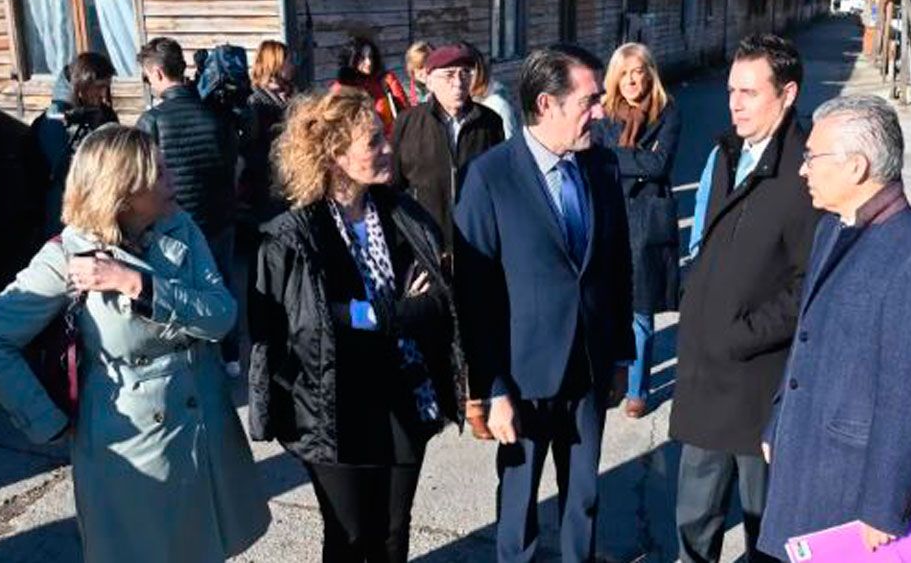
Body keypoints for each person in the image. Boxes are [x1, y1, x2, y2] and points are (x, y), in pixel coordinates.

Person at [0, 125, 270, 562]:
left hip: (205, 430)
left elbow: (221, 316)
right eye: (159, 173)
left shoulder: (179, 226)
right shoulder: (66, 257)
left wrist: (136, 284)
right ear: (125, 191)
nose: (172, 180)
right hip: (135, 447)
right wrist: (48, 420)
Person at [247, 87, 466, 563]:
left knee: (392, 533)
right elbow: (311, 327)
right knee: (349, 538)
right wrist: (391, 313)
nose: (389, 149)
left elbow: (436, 306)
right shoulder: (292, 235)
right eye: (374, 142)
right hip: (333, 408)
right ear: (334, 154)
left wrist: (366, 315)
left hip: (404, 397)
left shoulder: (404, 215)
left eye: (385, 138)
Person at [757, 95, 911, 558]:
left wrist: (883, 506)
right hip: (803, 451)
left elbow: (910, 397)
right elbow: (805, 339)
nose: (802, 169)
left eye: (812, 157)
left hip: (851, 488)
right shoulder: (832, 228)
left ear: (856, 167)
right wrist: (777, 421)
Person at [454, 45, 634, 563]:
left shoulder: (601, 165)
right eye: (589, 100)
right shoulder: (489, 176)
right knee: (519, 506)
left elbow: (616, 266)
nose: (601, 112)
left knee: (584, 499)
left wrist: (621, 354)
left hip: (589, 367)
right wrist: (492, 389)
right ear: (545, 104)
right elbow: (475, 295)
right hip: (522, 377)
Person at [670, 34, 820, 563]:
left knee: (766, 529)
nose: (734, 102)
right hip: (706, 378)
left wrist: (741, 334)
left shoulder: (807, 172)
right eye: (732, 89)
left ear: (787, 94)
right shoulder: (727, 153)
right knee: (694, 519)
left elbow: (810, 283)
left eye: (749, 92)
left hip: (762, 385)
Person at [392, 42, 504, 439]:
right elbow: (395, 189)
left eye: (464, 74)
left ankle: (475, 403)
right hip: (429, 246)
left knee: (476, 323)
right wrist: (409, 243)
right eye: (448, 76)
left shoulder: (488, 123)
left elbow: (499, 187)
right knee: (435, 324)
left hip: (475, 244)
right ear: (429, 80)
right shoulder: (409, 122)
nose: (458, 83)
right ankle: (440, 396)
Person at [135, 37, 242, 375]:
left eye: (148, 77)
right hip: (222, 215)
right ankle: (232, 355)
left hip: (178, 220)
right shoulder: (217, 112)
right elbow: (233, 161)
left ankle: (197, 361)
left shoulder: (151, 121)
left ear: (157, 72)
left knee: (183, 293)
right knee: (222, 284)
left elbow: (144, 179)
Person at [589, 43, 680, 419]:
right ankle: (610, 372)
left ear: (649, 73)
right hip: (608, 215)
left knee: (640, 310)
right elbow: (591, 156)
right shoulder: (603, 112)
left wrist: (615, 158)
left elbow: (659, 165)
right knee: (607, 302)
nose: (631, 80)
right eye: (624, 73)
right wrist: (635, 160)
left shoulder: (668, 110)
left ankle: (637, 388)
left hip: (646, 219)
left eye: (637, 72)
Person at [28, 53, 120, 237]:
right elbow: (63, 171)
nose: (103, 94)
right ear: (84, 83)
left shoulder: (101, 112)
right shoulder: (55, 120)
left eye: (106, 87)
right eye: (99, 87)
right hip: (68, 207)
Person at [241, 39, 295, 229]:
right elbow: (250, 148)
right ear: (275, 64)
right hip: (269, 186)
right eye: (287, 60)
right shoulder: (256, 102)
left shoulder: (292, 95)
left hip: (294, 180)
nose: (292, 65)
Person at [338, 36, 409, 138]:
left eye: (371, 57)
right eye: (362, 58)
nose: (368, 62)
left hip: (392, 141)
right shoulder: (343, 88)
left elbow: (405, 112)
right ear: (352, 59)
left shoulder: (385, 81)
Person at [467, 42, 522, 139]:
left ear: (479, 71)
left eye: (467, 70)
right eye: (451, 73)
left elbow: (509, 147)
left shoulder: (496, 106)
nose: (460, 78)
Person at [404, 41, 433, 107]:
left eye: (428, 66)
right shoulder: (407, 89)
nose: (424, 71)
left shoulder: (441, 84)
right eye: (420, 67)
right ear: (412, 71)